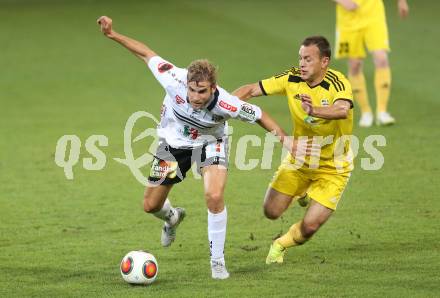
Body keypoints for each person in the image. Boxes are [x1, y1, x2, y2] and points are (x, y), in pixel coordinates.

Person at [97, 16, 296, 279]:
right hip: (173, 144)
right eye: (192, 90)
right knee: (150, 205)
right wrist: (113, 34)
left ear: (213, 88)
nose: (195, 97)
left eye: (202, 92)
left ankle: (217, 262)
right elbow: (146, 53)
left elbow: (258, 114)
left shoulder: (227, 104)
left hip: (210, 143)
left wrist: (284, 138)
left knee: (213, 196)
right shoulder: (173, 79)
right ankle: (172, 218)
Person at [233, 36, 353, 264]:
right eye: (300, 58)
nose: (302, 64)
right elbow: (250, 90)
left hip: (334, 167)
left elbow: (341, 110)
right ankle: (303, 192)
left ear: (324, 62)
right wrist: (220, 104)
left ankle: (280, 244)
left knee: (309, 226)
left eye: (308, 59)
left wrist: (314, 109)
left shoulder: (338, 82)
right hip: (300, 159)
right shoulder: (292, 78)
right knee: (271, 211)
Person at [333, 0, 409, 127]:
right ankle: (365, 112)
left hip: (373, 15)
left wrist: (401, 2)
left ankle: (382, 111)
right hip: (349, 19)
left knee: (382, 58)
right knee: (354, 64)